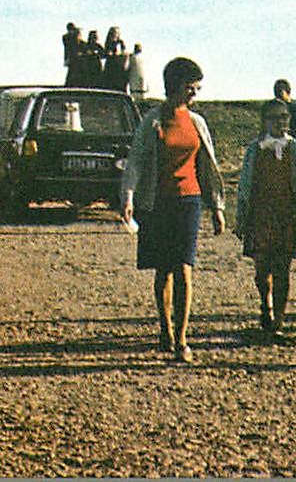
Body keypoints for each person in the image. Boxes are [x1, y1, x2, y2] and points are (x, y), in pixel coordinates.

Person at [120, 57, 226, 363]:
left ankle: (182, 338)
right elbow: (136, 161)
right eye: (190, 87)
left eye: (197, 88)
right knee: (163, 270)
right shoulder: (152, 120)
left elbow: (208, 168)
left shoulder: (197, 122)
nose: (194, 93)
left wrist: (216, 207)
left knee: (184, 268)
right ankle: (165, 329)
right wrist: (128, 197)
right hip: (157, 203)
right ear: (176, 86)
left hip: (188, 202)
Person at [235, 99, 296, 341]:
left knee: (283, 269)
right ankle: (266, 304)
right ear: (264, 121)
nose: (280, 122)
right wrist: (241, 218)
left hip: (288, 216)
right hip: (260, 216)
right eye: (274, 117)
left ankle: (278, 320)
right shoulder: (254, 149)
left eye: (284, 117)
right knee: (262, 270)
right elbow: (244, 186)